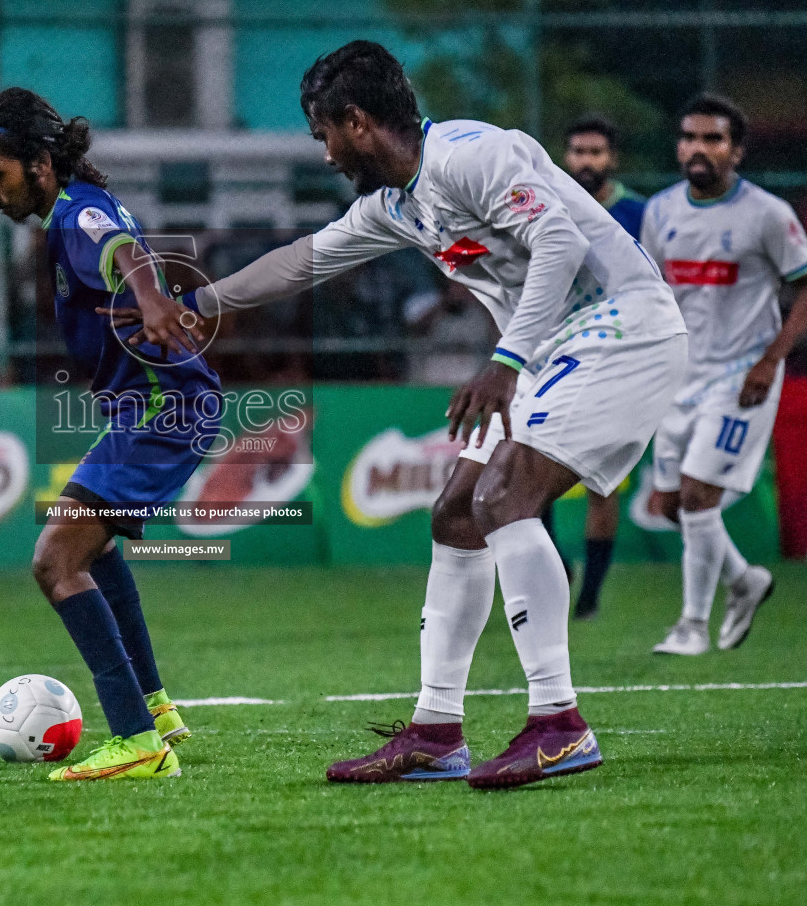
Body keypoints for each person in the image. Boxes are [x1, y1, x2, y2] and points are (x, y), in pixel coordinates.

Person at [111, 41, 687, 789]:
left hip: (625, 326)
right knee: (456, 513)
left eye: (322, 134)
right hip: (556, 345)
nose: (323, 155)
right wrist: (197, 306)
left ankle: (558, 724)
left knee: (503, 495)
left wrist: (506, 361)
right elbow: (301, 260)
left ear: (356, 121)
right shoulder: (397, 205)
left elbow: (561, 239)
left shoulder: (471, 154)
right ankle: (436, 733)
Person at [0, 87, 220, 782]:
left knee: (54, 560)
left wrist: (149, 293)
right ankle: (156, 709)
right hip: (148, 408)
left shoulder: (81, 216)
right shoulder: (76, 207)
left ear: (40, 163)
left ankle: (137, 740)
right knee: (91, 550)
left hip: (165, 410)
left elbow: (121, 251)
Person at [642, 94, 807, 656]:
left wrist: (770, 360)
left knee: (699, 494)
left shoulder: (768, 215)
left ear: (736, 151)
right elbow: (651, 295)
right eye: (689, 138)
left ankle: (692, 625)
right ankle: (744, 580)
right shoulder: (661, 211)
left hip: (741, 376)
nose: (698, 149)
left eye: (713, 139)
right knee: (671, 504)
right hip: (678, 376)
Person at [561, 115, 652, 619]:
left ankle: (591, 594)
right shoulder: (550, 204)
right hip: (555, 353)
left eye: (596, 152)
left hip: (617, 361)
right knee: (530, 470)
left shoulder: (640, 212)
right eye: (578, 151)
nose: (586, 161)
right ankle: (554, 559)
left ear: (611, 158)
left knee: (601, 481)